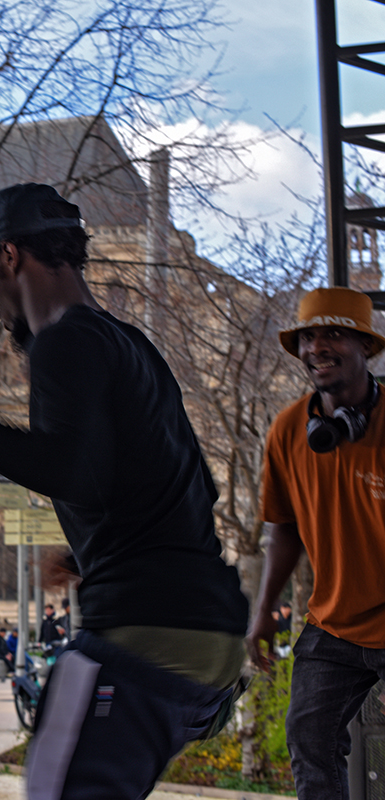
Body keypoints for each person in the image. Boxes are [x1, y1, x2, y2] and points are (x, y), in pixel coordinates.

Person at [0, 183, 247, 799]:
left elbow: (67, 470)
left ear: (9, 256)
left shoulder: (61, 343)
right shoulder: (131, 343)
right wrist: (85, 552)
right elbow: (194, 485)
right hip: (212, 644)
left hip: (143, 630)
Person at [246, 287, 385, 800]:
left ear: (366, 348)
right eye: (308, 336)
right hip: (335, 622)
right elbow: (282, 529)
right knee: (310, 738)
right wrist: (264, 611)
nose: (316, 347)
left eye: (333, 334)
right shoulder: (287, 431)